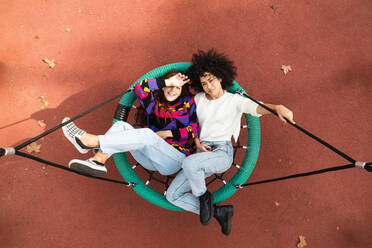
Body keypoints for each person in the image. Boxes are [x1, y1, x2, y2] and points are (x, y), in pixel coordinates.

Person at [166, 49, 295, 235]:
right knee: (172, 195)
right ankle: (219, 211)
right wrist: (195, 141)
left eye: (211, 80)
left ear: (219, 76)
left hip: (221, 153)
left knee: (189, 163)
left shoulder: (234, 100)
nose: (209, 86)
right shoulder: (198, 99)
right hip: (201, 153)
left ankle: (203, 196)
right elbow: (188, 121)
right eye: (203, 83)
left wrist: (278, 108)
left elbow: (256, 106)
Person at [61, 71, 199, 177]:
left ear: (182, 90)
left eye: (177, 87)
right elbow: (140, 87)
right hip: (149, 158)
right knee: (121, 126)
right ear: (163, 87)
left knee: (147, 134)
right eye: (170, 86)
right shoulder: (154, 105)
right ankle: (98, 161)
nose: (173, 89)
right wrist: (167, 81)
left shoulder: (188, 103)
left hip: (174, 159)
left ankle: (92, 141)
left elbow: (194, 130)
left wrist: (167, 133)